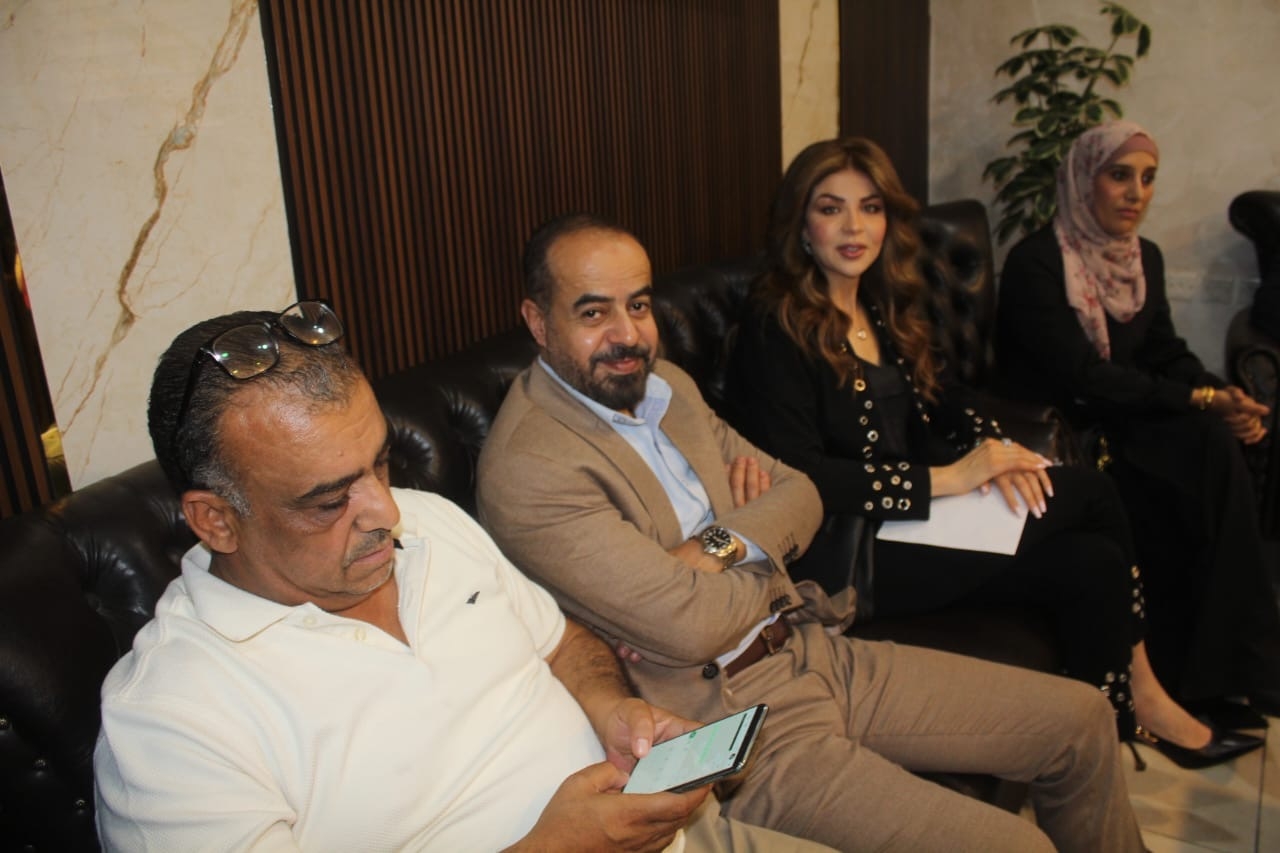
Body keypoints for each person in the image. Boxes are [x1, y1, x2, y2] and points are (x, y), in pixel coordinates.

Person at [475, 212, 1147, 852]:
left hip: (810, 645)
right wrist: (758, 547)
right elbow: (690, 626)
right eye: (593, 313)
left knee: (1082, 720)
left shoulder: (667, 387)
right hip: (735, 721)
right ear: (537, 321)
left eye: (640, 304)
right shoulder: (533, 467)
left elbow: (803, 491)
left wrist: (714, 546)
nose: (628, 335)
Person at [93, 301, 835, 852]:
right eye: (328, 500)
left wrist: (612, 710)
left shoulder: (429, 521)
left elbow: (560, 640)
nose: (386, 511)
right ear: (216, 520)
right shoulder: (172, 720)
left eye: (380, 463)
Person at [722, 136, 1262, 768]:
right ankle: (1147, 699)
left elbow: (946, 394)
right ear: (801, 223)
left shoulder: (879, 301)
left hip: (915, 524)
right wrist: (951, 480)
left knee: (1091, 563)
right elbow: (802, 476)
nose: (854, 227)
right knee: (1092, 491)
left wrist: (994, 445)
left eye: (870, 208)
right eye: (830, 208)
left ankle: (1102, 735)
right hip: (851, 554)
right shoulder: (776, 322)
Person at [996, 119, 1280, 728]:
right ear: (1083, 181)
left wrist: (1221, 395)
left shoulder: (1140, 256)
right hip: (1064, 432)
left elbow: (1163, 350)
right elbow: (1083, 377)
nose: (1136, 194)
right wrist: (1199, 400)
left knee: (1214, 443)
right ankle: (1219, 672)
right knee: (1204, 443)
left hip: (1124, 418)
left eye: (1148, 179)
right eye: (1119, 175)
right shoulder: (1035, 262)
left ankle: (1227, 670)